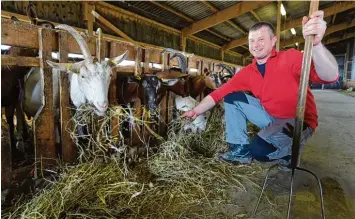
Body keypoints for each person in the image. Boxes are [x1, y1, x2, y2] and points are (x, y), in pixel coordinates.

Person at [182, 11, 339, 164]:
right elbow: (218, 93)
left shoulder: (290, 57)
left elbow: (329, 77)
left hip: (298, 120)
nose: (255, 45)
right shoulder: (249, 72)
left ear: (273, 41)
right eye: (251, 41)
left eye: (261, 39)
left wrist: (317, 45)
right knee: (231, 98)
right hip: (271, 117)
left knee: (259, 151)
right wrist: (196, 111)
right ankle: (241, 151)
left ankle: (287, 154)